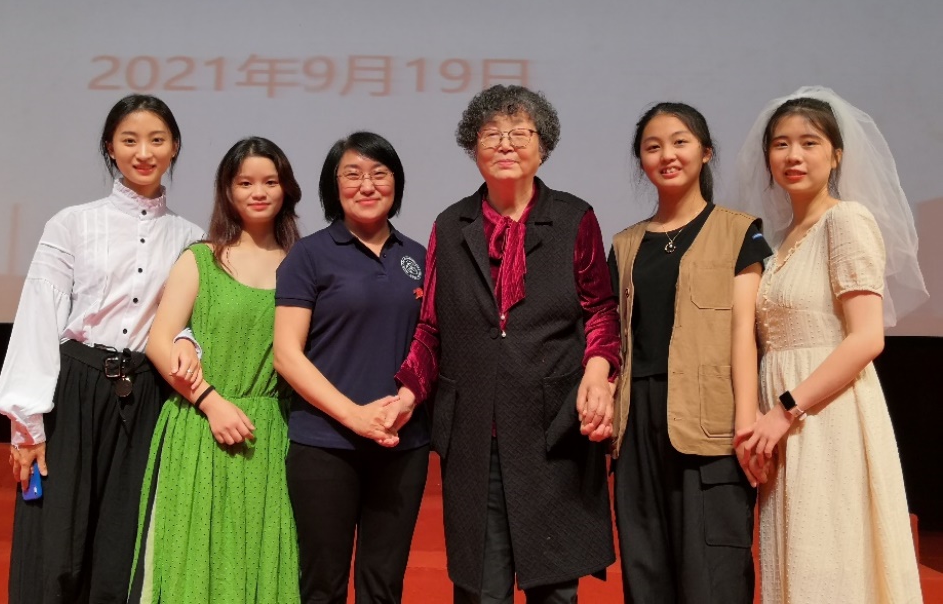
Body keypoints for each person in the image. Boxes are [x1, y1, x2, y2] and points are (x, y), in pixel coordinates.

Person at [393, 84, 621, 603]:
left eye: (520, 133)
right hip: (475, 434)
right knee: (481, 590)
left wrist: (597, 373)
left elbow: (600, 310)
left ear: (544, 147)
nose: (505, 144)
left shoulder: (573, 218)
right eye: (491, 133)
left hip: (554, 430)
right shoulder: (450, 225)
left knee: (554, 589)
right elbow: (431, 327)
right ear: (473, 147)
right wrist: (408, 392)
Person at [0, 94, 204, 604]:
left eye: (157, 140)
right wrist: (26, 424)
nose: (143, 152)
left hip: (146, 395)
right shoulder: (72, 223)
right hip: (75, 389)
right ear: (110, 147)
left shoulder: (192, 238)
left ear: (174, 147)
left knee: (123, 549)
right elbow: (39, 317)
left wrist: (185, 339)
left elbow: (188, 322)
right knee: (56, 544)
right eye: (129, 140)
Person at [735, 87, 928, 604]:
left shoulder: (846, 221)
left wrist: (785, 409)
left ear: (836, 154)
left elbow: (867, 338)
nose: (793, 155)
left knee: (833, 562)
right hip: (784, 425)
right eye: (780, 144)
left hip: (828, 417)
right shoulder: (779, 239)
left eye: (809, 142)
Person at [607, 103, 771, 604]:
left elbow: (744, 331)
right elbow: (613, 336)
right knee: (646, 571)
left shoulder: (741, 231)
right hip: (637, 421)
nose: (667, 155)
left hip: (712, 421)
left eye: (680, 142)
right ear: (641, 161)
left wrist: (746, 421)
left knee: (713, 575)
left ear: (706, 153)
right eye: (653, 147)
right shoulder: (625, 244)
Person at [128, 137, 302, 603]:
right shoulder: (200, 258)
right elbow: (159, 343)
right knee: (190, 570)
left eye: (270, 181)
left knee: (263, 567)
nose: (258, 192)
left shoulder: (304, 264)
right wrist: (210, 401)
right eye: (245, 183)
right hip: (200, 426)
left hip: (271, 432)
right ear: (227, 190)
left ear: (287, 188)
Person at [272, 131, 430, 604]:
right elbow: (286, 354)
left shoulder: (419, 257)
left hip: (402, 442)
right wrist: (354, 416)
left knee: (383, 585)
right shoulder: (309, 255)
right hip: (325, 443)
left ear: (396, 183)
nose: (367, 185)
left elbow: (432, 345)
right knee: (323, 583)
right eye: (353, 174)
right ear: (332, 185)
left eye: (379, 174)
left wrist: (406, 403)